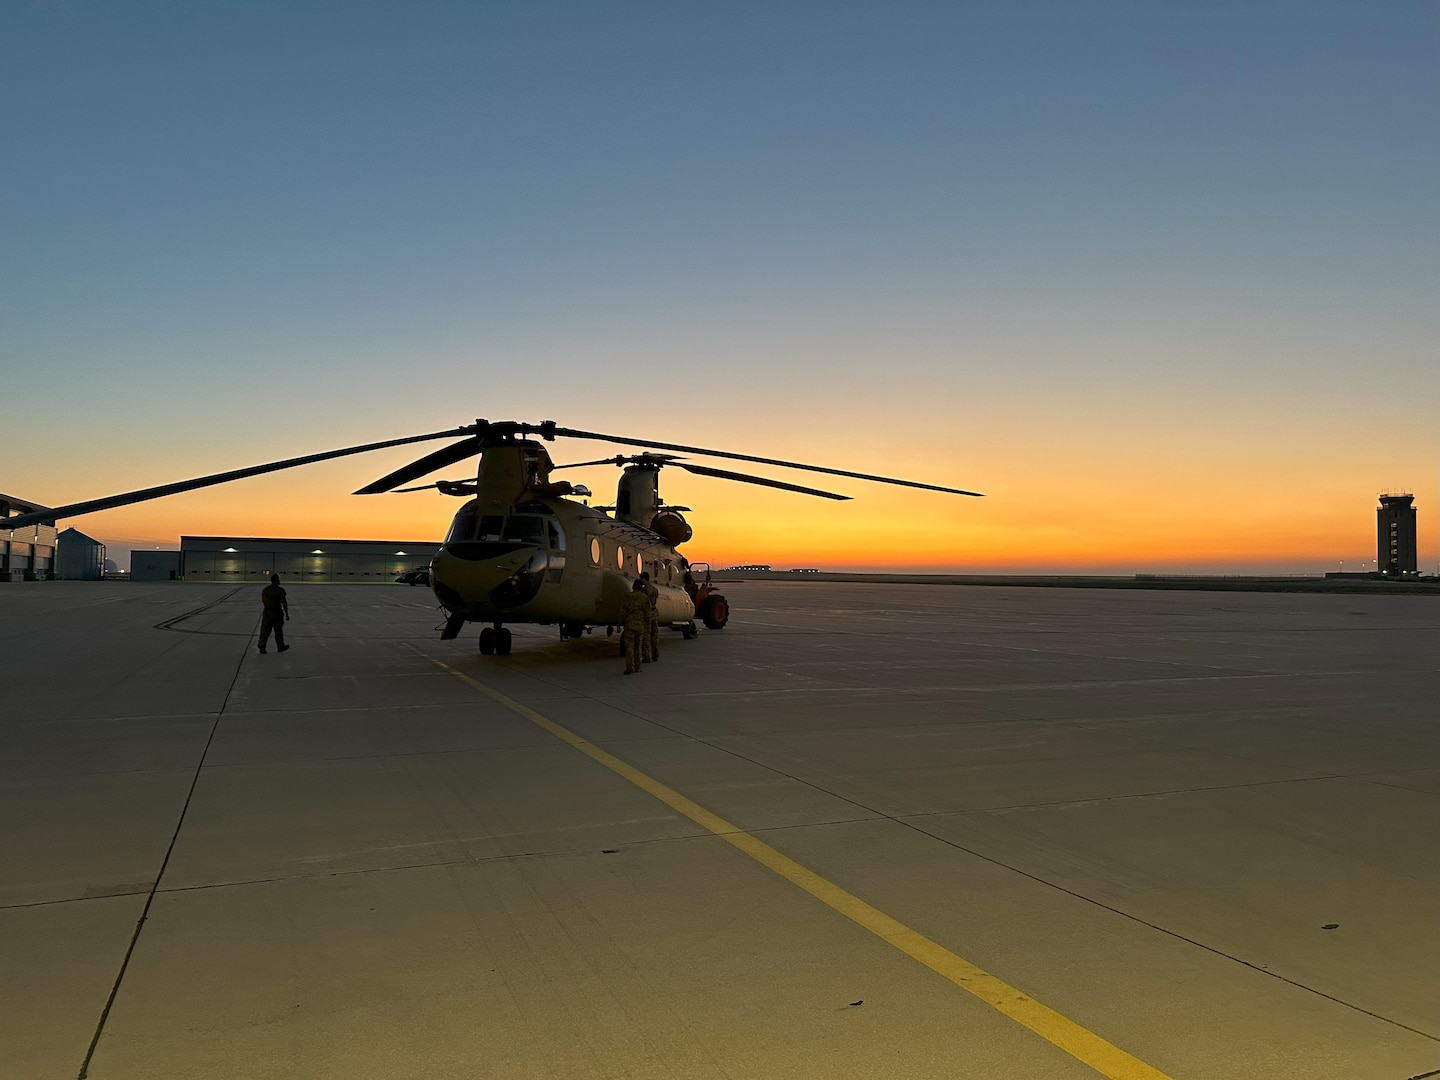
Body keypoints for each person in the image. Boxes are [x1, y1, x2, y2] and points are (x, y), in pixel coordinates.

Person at [619, 580, 649, 674]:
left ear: (633, 586)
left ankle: (629, 667)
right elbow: (647, 613)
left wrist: (619, 623)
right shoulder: (644, 598)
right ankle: (638, 667)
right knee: (637, 646)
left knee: (629, 647)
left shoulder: (627, 596)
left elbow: (623, 611)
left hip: (629, 624)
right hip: (639, 625)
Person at [258, 573, 290, 654]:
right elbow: (284, 603)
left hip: (267, 613)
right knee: (278, 631)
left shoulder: (265, 590)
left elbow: (264, 601)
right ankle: (280, 646)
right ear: (276, 580)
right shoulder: (280, 590)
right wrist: (286, 614)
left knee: (264, 631)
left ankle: (262, 647)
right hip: (277, 613)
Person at [640, 571, 660, 663]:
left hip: (647, 614)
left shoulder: (643, 590)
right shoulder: (654, 589)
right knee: (654, 635)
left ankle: (646, 656)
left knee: (646, 635)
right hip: (654, 614)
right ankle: (655, 654)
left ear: (644, 579)